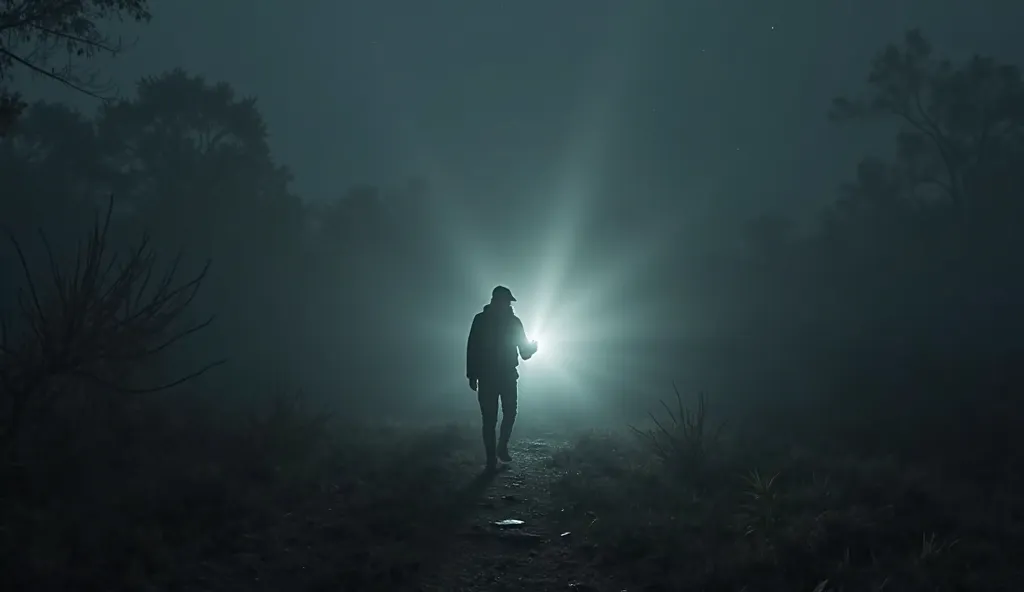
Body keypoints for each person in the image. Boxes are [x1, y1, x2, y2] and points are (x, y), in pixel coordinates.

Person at [466, 285, 538, 471]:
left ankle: (495, 454)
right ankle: (497, 451)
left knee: (496, 417)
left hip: (493, 376)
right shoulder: (513, 322)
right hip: (501, 376)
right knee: (501, 415)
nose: (507, 304)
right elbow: (525, 353)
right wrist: (532, 348)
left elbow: (472, 349)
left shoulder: (482, 320)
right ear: (498, 301)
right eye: (506, 301)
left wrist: (472, 375)